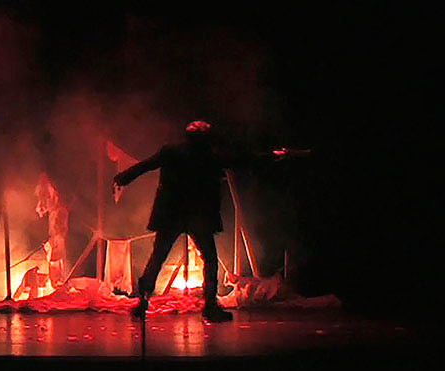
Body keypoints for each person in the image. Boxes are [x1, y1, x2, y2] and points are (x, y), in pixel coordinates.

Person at [113, 120, 304, 322]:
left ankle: (142, 302)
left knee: (158, 258)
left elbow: (145, 166)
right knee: (209, 260)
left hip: (172, 214)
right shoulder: (209, 156)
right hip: (198, 216)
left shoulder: (172, 152)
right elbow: (243, 160)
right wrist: (272, 156)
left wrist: (123, 177)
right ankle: (210, 307)